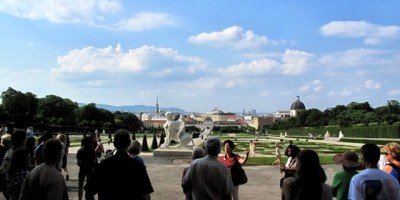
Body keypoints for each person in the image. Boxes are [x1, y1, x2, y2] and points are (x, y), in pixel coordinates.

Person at [85, 129, 154, 200]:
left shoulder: (103, 165)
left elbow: (89, 193)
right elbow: (146, 196)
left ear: (114, 144)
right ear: (129, 144)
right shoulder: (138, 166)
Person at [0, 129, 27, 199]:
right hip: (11, 186)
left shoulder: (10, 150)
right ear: (22, 140)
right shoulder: (18, 154)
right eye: (25, 138)